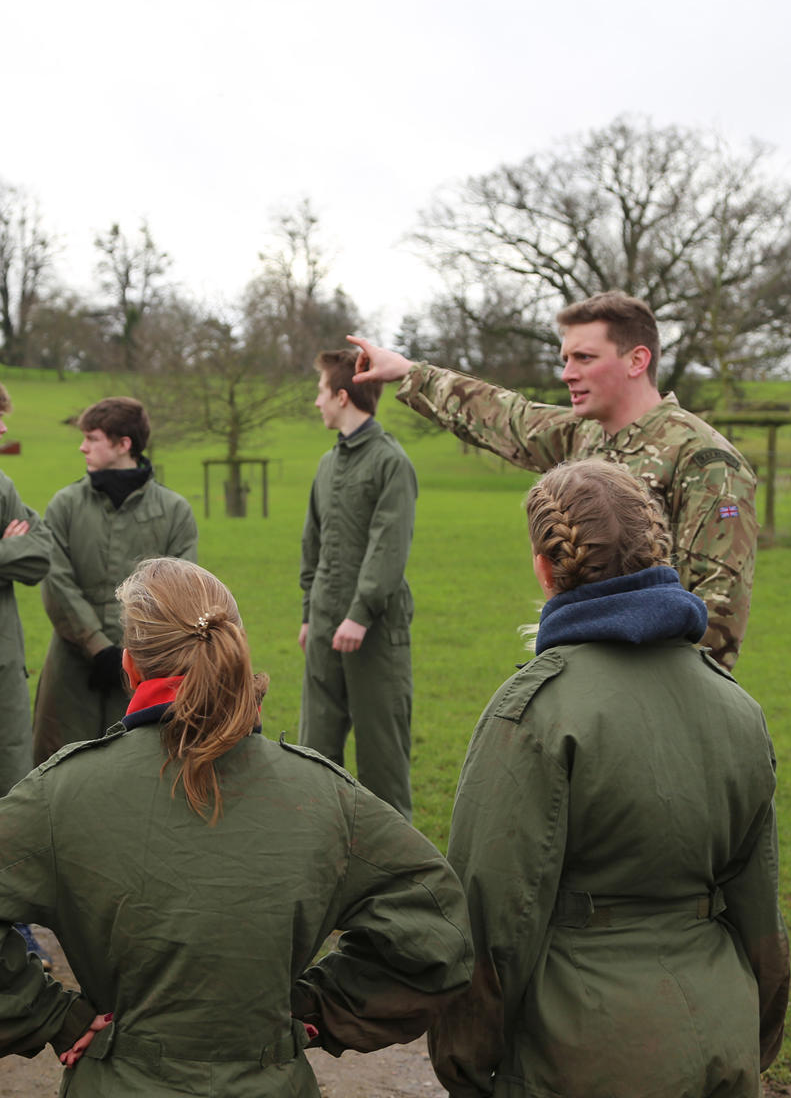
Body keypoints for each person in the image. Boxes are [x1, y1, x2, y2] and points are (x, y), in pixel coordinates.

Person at [0, 556, 473, 1093]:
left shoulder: (59, 794)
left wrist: (51, 1015)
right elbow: (438, 930)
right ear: (236, 656)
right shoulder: (325, 796)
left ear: (130, 667)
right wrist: (316, 1005)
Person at [429, 459, 789, 1098]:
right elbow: (761, 912)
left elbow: (491, 915)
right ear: (660, 553)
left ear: (545, 566)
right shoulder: (738, 706)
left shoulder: (536, 709)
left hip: (576, 1053)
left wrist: (464, 1057)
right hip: (719, 1039)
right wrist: (750, 1036)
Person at [348, 290, 757, 671]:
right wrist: (408, 372)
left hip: (661, 688)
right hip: (585, 674)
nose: (567, 373)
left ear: (637, 361)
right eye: (566, 358)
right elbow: (507, 418)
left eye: (584, 358)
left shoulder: (705, 461)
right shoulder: (585, 436)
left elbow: (717, 606)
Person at [33, 396, 197, 764]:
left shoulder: (174, 512)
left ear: (124, 444)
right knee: (59, 766)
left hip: (150, 667)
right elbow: (55, 580)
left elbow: (181, 593)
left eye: (92, 438)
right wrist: (98, 648)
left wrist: (133, 653)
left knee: (141, 769)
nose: (82, 446)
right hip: (72, 666)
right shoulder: (64, 505)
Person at [298, 349, 417, 819]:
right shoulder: (327, 464)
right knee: (315, 750)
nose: (316, 403)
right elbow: (314, 543)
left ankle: (399, 875)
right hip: (325, 624)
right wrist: (311, 613)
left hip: (376, 631)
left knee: (382, 759)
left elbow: (389, 545)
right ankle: (320, 855)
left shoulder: (391, 463)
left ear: (342, 396)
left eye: (320, 392)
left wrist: (360, 613)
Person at [0, 384, 55, 967]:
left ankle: (11, 926)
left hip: (3, 671)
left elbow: (38, 557)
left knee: (8, 794)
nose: (1, 432)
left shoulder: (3, 487)